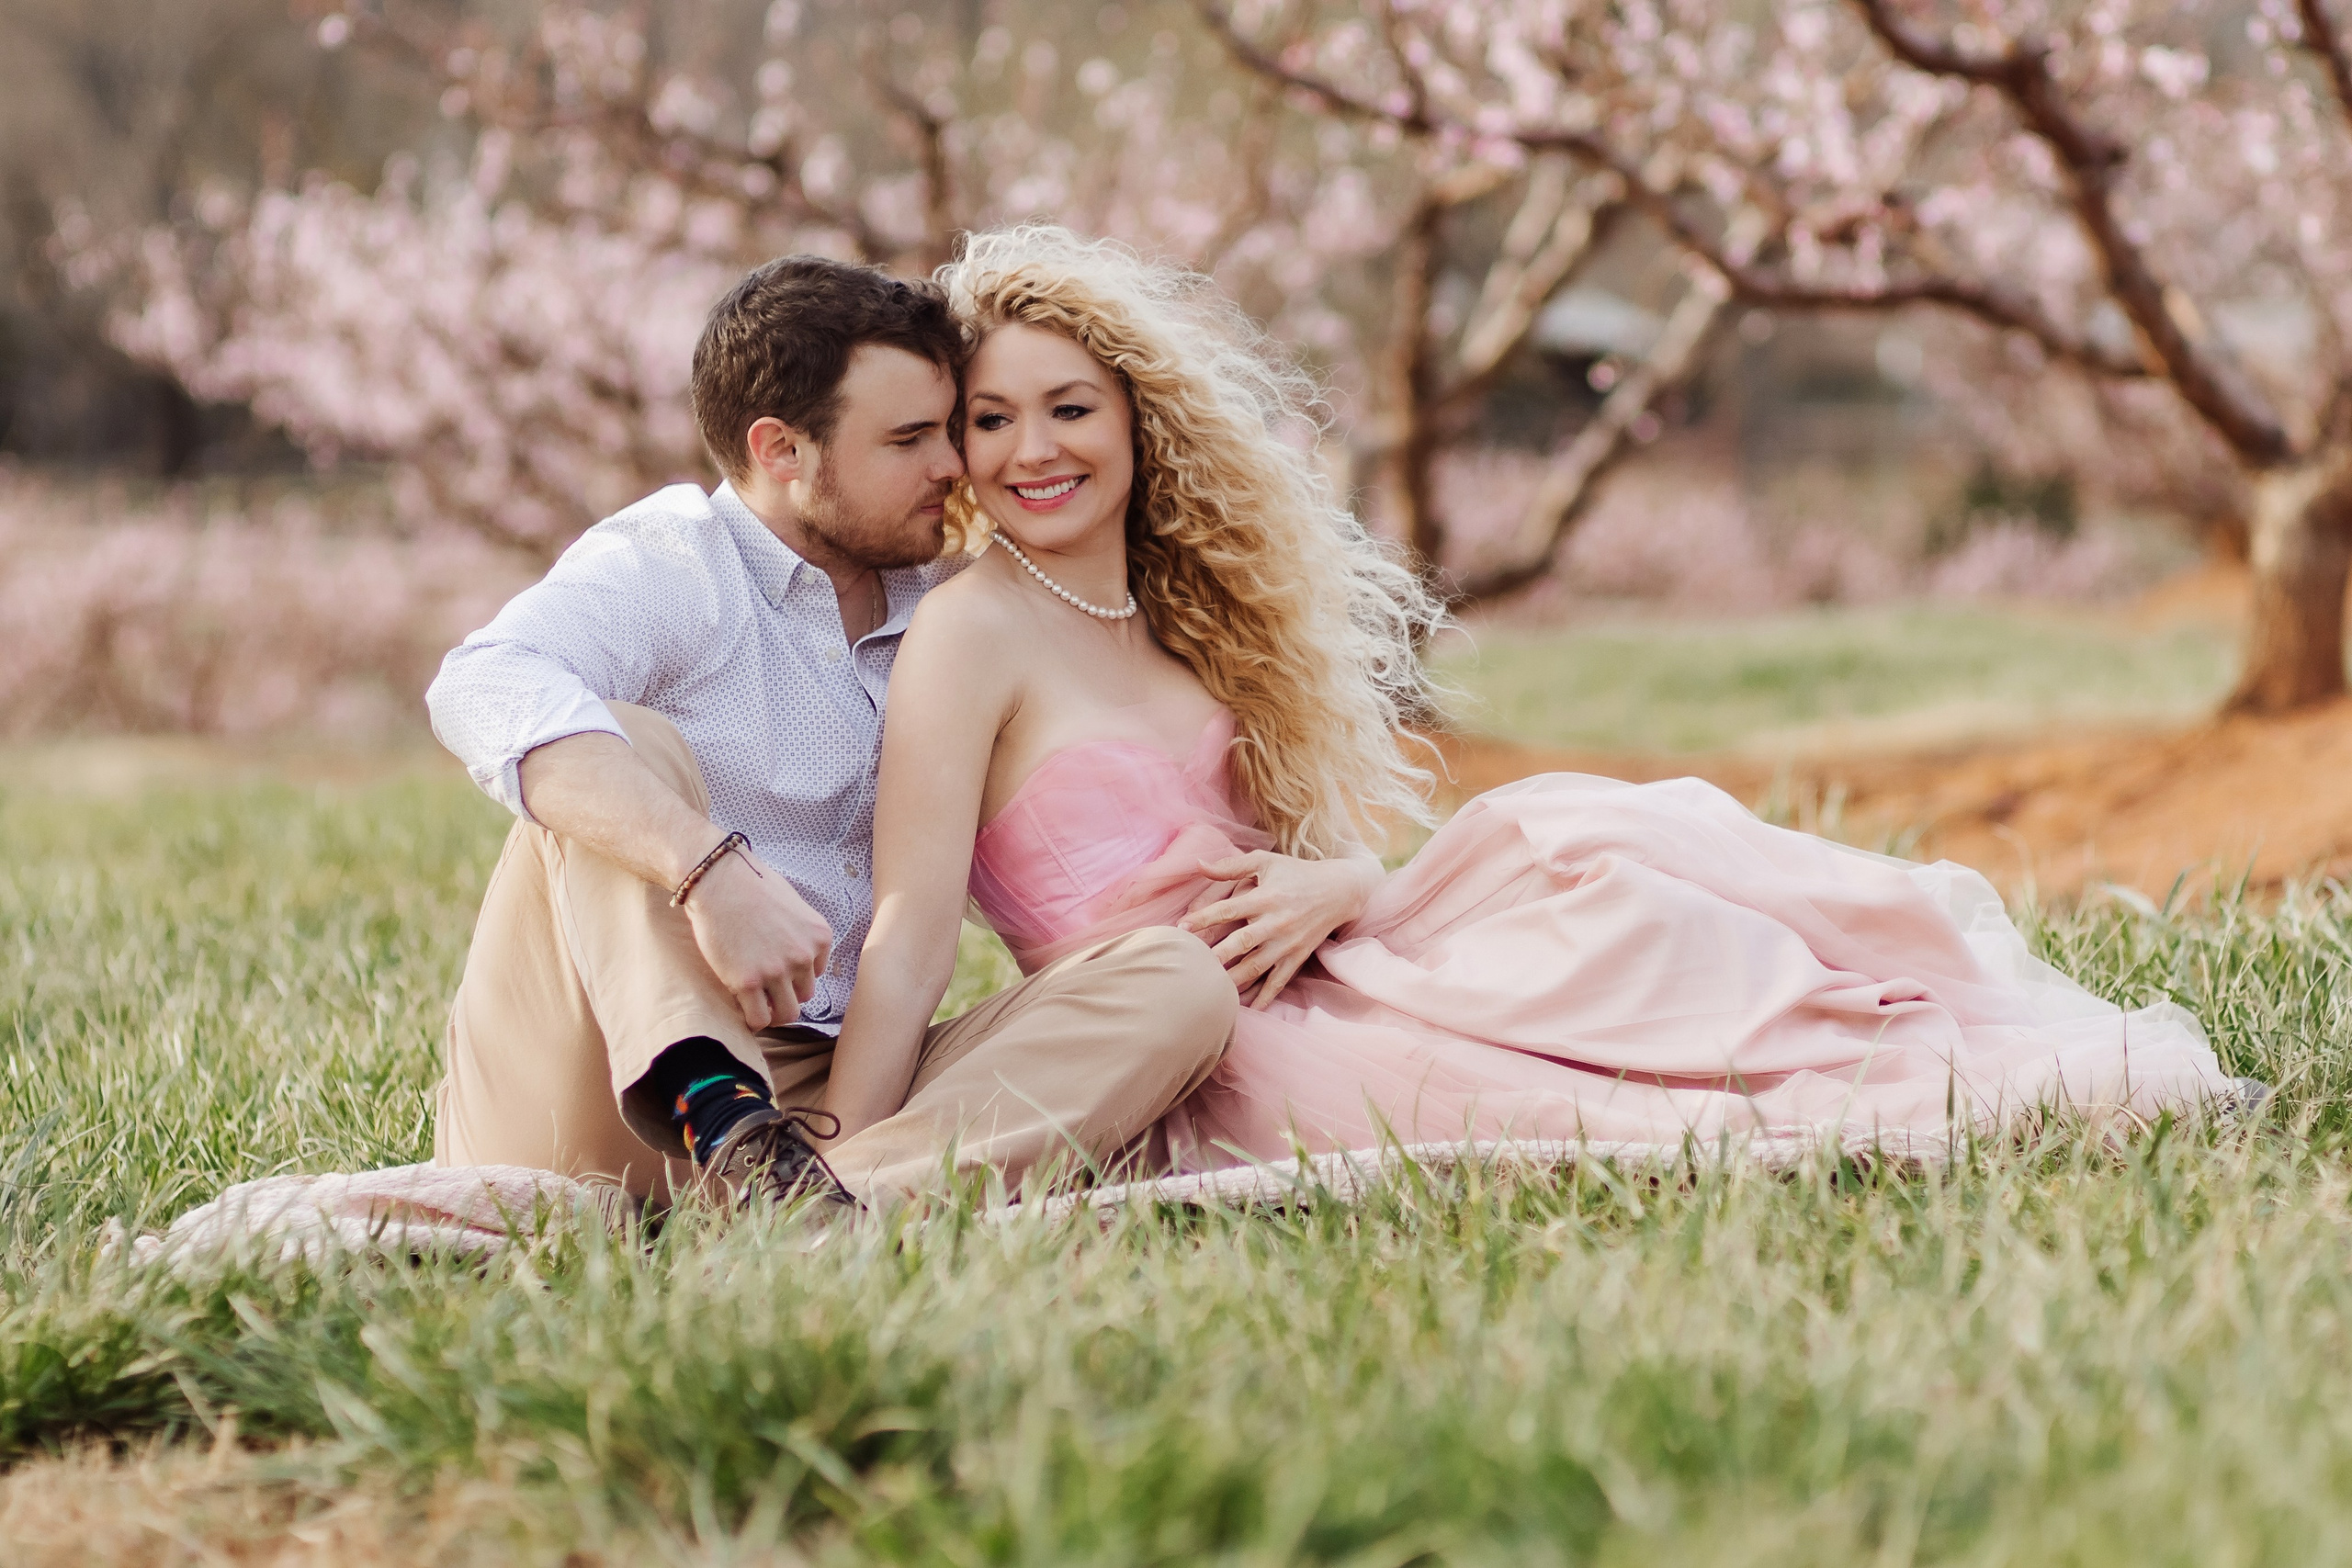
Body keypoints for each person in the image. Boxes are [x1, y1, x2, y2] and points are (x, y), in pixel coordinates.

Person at [820, 224, 2236, 1170]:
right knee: (1546, 1098)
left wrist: (1340, 882)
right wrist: (834, 1145)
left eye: (1066, 405)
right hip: (1201, 1039)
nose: (1029, 451)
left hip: (1317, 954)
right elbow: (914, 920)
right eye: (987, 421)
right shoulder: (969, 635)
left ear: (1136, 417)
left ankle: (1856, 1018)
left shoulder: (1178, 618)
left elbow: (1267, 844)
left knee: (1593, 854)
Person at [424, 255, 1237, 1213]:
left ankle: (822, 1212)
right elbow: (482, 680)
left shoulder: (947, 603)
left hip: (821, 1096)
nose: (952, 466)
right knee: (617, 744)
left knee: (1175, 982)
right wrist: (708, 869)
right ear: (782, 452)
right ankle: (714, 1104)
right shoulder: (675, 564)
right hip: (596, 1086)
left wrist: (1332, 876)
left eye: (947, 430)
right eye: (907, 439)